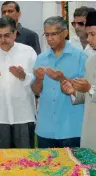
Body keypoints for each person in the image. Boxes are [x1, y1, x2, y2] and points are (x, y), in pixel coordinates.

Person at [0, 16, 37, 148]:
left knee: (25, 161)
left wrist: (23, 76)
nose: (3, 40)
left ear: (15, 33)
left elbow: (38, 83)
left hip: (23, 115)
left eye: (7, 35)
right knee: (1, 162)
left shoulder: (28, 52)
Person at [31, 16, 87, 148]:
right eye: (47, 35)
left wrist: (63, 79)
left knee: (74, 167)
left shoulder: (80, 57)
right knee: (46, 168)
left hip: (71, 128)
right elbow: (35, 90)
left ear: (65, 32)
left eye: (54, 34)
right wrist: (38, 79)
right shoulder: (41, 58)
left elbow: (85, 91)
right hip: (46, 128)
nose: (49, 39)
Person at [61, 11, 96, 162]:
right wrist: (73, 91)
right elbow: (86, 94)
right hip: (89, 131)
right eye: (87, 34)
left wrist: (89, 88)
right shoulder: (91, 61)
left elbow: (95, 91)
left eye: (93, 34)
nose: (88, 39)